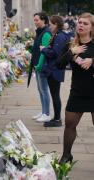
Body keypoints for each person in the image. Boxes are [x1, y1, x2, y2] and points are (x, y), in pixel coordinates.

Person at [57, 13, 94, 164]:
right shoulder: (70, 45)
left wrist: (92, 61)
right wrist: (72, 52)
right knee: (70, 124)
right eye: (79, 22)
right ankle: (66, 155)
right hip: (78, 91)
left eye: (85, 23)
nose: (81, 25)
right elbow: (58, 64)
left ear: (92, 27)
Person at [40, 15, 70, 127]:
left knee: (55, 95)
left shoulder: (60, 36)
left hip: (54, 70)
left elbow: (55, 53)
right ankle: (56, 117)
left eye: (51, 24)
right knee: (54, 95)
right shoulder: (59, 35)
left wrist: (44, 50)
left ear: (56, 24)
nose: (49, 27)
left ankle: (57, 119)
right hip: (55, 69)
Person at [29, 12, 52, 122]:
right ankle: (43, 111)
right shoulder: (40, 32)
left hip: (42, 66)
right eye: (35, 20)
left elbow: (44, 52)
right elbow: (38, 49)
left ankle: (46, 113)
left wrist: (39, 65)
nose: (35, 22)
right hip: (38, 65)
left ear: (44, 20)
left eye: (37, 20)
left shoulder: (46, 33)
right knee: (40, 89)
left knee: (44, 89)